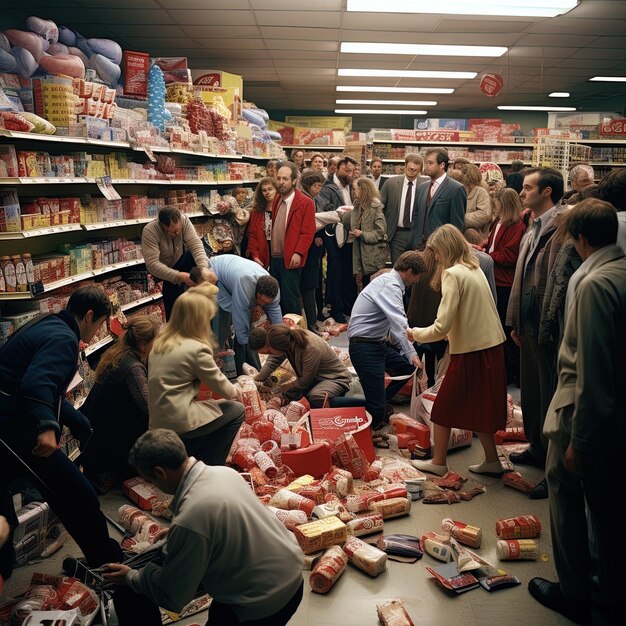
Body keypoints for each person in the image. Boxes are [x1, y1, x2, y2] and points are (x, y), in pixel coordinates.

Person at [0, 285, 161, 625]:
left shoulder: (49, 323)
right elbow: (35, 385)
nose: (100, 331)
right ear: (89, 316)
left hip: (11, 424)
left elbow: (41, 388)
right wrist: (47, 425)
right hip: (16, 433)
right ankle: (117, 577)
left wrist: (77, 420)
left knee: (9, 518)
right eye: (101, 324)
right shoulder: (63, 340)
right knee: (81, 499)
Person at [528, 199, 624, 625]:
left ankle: (575, 592)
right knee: (608, 507)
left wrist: (579, 440)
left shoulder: (593, 283)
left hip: (578, 412)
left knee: (566, 497)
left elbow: (590, 368)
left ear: (580, 238)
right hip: (614, 415)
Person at [104, 429, 304, 626]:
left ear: (159, 473)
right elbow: (225, 519)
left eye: (150, 480)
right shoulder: (223, 473)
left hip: (263, 602)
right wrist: (178, 532)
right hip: (292, 575)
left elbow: (172, 596)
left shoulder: (191, 518)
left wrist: (132, 577)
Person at [408, 225, 507, 477]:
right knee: (483, 405)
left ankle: (439, 462)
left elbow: (442, 326)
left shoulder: (452, 274)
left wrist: (414, 333)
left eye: (437, 252)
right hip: (490, 346)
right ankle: (492, 460)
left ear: (445, 249)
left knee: (442, 407)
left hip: (470, 350)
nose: (436, 258)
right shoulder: (475, 268)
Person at [506, 167, 567, 500]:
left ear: (547, 192)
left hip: (547, 325)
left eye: (528, 187)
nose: (522, 192)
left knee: (548, 393)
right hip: (527, 322)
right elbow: (521, 277)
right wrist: (514, 319)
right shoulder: (532, 225)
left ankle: (551, 465)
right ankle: (535, 446)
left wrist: (548, 326)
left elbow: (559, 283)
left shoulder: (563, 226)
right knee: (530, 389)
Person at [148, 282, 245, 466]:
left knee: (211, 408)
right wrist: (238, 391)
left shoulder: (160, 344)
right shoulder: (196, 348)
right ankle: (212, 463)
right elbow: (224, 388)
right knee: (235, 410)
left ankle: (191, 455)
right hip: (180, 420)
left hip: (158, 419)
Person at [79, 316, 161, 493]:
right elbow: (151, 408)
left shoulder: (117, 354)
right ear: (142, 344)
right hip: (106, 451)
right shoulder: (133, 368)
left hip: (94, 442)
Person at [347, 251, 425, 433]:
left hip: (375, 343)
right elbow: (399, 323)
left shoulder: (390, 282)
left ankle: (380, 400)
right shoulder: (390, 286)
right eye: (418, 276)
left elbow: (394, 325)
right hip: (365, 347)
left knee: (408, 370)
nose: (418, 281)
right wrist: (411, 353)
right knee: (376, 408)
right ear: (410, 271)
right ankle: (368, 429)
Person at [203, 254, 282, 374]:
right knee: (227, 326)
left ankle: (252, 366)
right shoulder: (245, 284)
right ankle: (221, 367)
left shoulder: (274, 291)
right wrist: (251, 343)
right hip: (217, 274)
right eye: (261, 301)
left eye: (267, 303)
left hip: (235, 272)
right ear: (257, 293)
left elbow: (275, 313)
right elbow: (240, 321)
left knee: (249, 330)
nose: (263, 305)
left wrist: (279, 337)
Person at [250, 324, 351, 408]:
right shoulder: (287, 341)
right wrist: (258, 379)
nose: (272, 353)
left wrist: (281, 390)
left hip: (335, 378)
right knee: (296, 396)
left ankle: (355, 403)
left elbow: (304, 381)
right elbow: (274, 359)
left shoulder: (310, 349)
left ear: (280, 347)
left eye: (271, 351)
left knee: (316, 397)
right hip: (317, 378)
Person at [484, 188, 526, 385]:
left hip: (504, 284)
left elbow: (510, 256)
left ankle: (513, 373)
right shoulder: (497, 222)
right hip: (494, 279)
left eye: (497, 203)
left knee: (505, 331)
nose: (495, 207)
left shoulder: (517, 227)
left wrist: (486, 256)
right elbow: (493, 247)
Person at [142, 206, 215, 319]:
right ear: (163, 226)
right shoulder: (150, 231)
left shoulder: (184, 220)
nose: (177, 234)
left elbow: (195, 244)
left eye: (179, 229)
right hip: (165, 268)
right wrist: (177, 276)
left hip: (180, 259)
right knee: (172, 302)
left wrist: (204, 267)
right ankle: (175, 326)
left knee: (194, 255)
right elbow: (152, 264)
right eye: (173, 231)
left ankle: (197, 305)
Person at [270, 162, 316, 315]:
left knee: (291, 300)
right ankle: (281, 334)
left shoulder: (306, 202)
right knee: (276, 299)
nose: (281, 182)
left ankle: (295, 335)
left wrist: (299, 252)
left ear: (295, 180)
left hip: (290, 258)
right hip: (275, 258)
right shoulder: (277, 199)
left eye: (285, 179)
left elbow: (308, 232)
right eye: (278, 178)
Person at [317, 156, 358, 323]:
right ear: (338, 169)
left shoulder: (351, 187)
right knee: (335, 274)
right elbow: (322, 213)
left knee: (348, 273)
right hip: (333, 237)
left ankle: (348, 306)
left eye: (352, 171)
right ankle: (336, 309)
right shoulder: (328, 188)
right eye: (346, 171)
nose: (350, 174)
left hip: (349, 236)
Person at [410, 147, 466, 251]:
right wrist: (415, 241)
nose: (426, 166)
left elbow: (457, 226)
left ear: (442, 165)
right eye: (425, 163)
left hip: (442, 250)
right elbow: (416, 217)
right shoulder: (421, 188)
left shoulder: (456, 189)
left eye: (430, 163)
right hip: (420, 248)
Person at [299, 168, 332, 332]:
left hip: (311, 249)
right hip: (308, 251)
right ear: (308, 185)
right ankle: (311, 324)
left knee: (310, 287)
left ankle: (310, 322)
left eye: (320, 186)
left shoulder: (310, 197)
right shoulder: (306, 200)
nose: (318, 190)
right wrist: (313, 237)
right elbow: (304, 226)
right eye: (316, 186)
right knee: (309, 288)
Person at [380, 153, 429, 263]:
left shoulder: (426, 184)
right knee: (398, 267)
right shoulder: (391, 183)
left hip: (418, 234)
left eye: (415, 170)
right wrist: (383, 229)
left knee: (417, 268)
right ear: (405, 166)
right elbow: (380, 208)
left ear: (420, 170)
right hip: (397, 233)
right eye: (410, 168)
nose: (412, 172)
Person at [344, 176, 388, 288]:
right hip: (359, 253)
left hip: (372, 255)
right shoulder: (358, 205)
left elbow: (380, 232)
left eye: (356, 189)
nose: (354, 192)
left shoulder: (375, 207)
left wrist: (362, 234)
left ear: (364, 190)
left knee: (372, 285)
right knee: (363, 284)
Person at [247, 176, 278, 269]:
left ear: (276, 190)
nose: (267, 193)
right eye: (264, 190)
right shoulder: (257, 211)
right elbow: (252, 235)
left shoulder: (282, 208)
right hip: (263, 252)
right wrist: (255, 255)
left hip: (280, 253)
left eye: (270, 189)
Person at [460, 162, 492, 239]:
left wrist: (460, 218)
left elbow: (484, 215)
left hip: (475, 236)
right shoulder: (460, 190)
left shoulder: (480, 192)